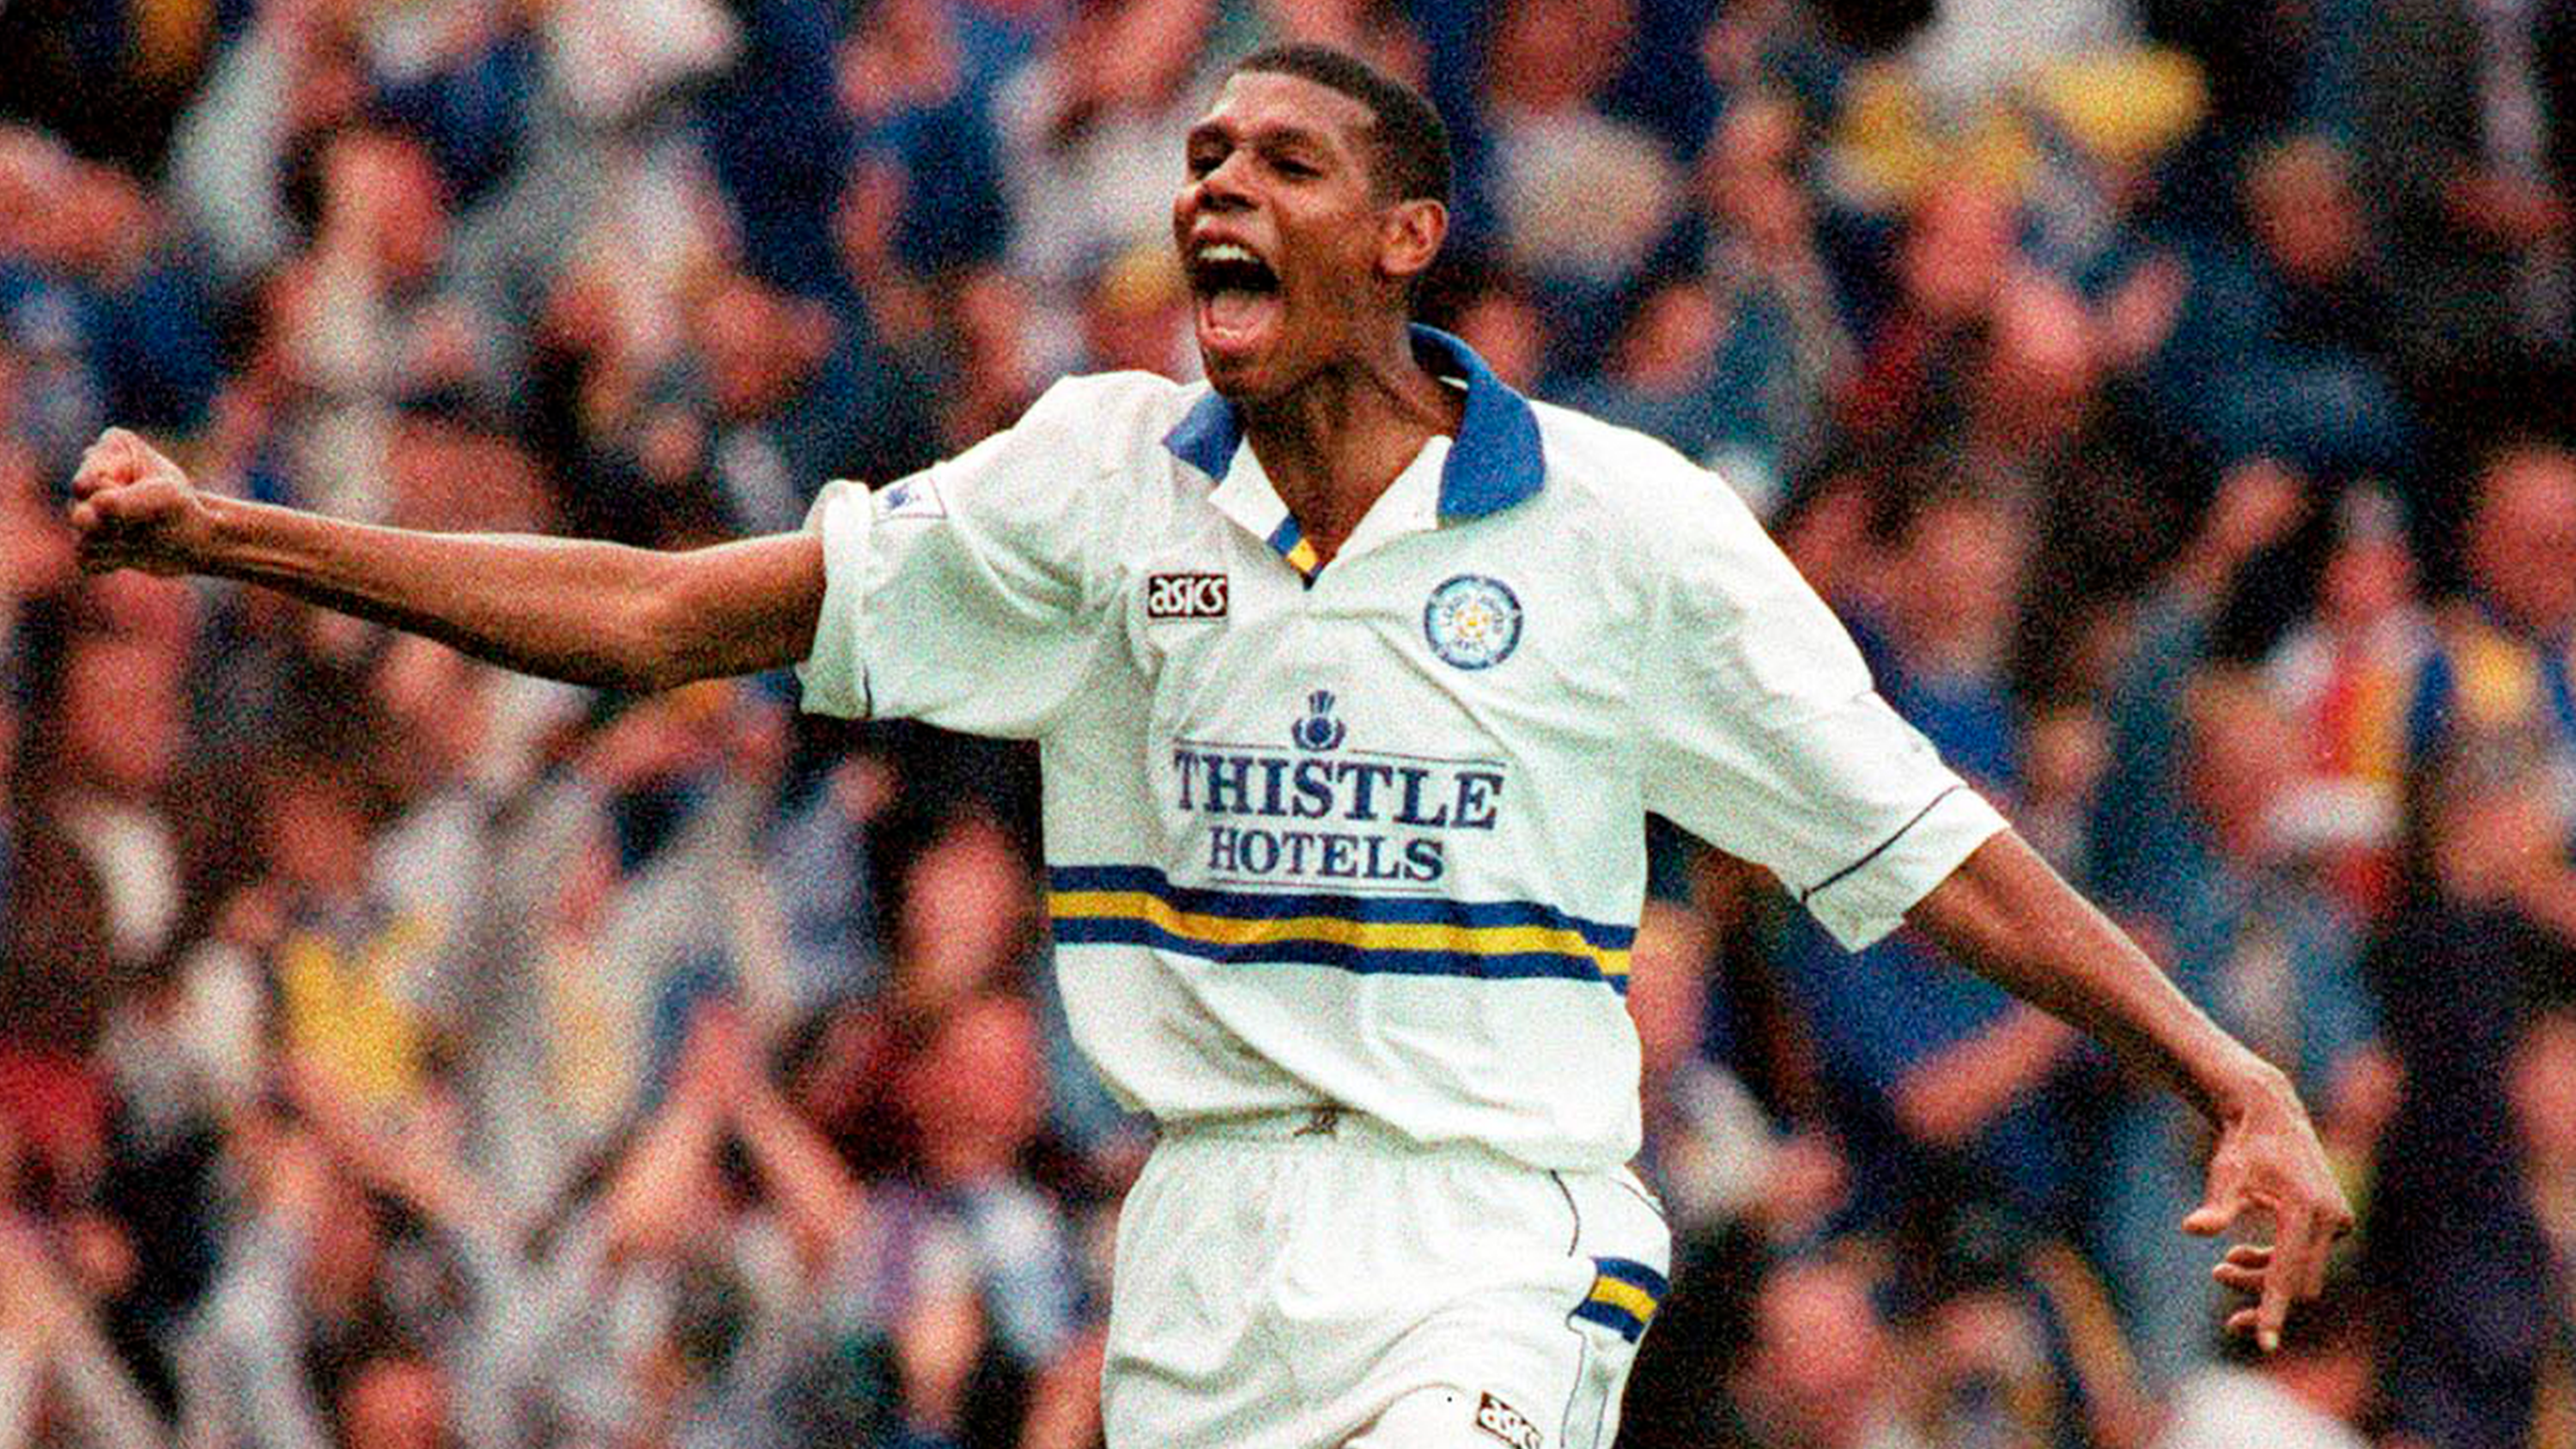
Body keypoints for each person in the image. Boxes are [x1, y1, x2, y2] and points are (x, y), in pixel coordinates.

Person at [66, 42, 2348, 1449]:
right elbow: (667, 620)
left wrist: (2221, 1071)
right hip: (1205, 1238)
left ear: (1414, 237)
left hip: (1498, 1231)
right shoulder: (1092, 482)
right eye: (1201, 156)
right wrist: (244, 535)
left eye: (1278, 159)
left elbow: (1939, 857)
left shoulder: (1632, 530)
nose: (1215, 190)